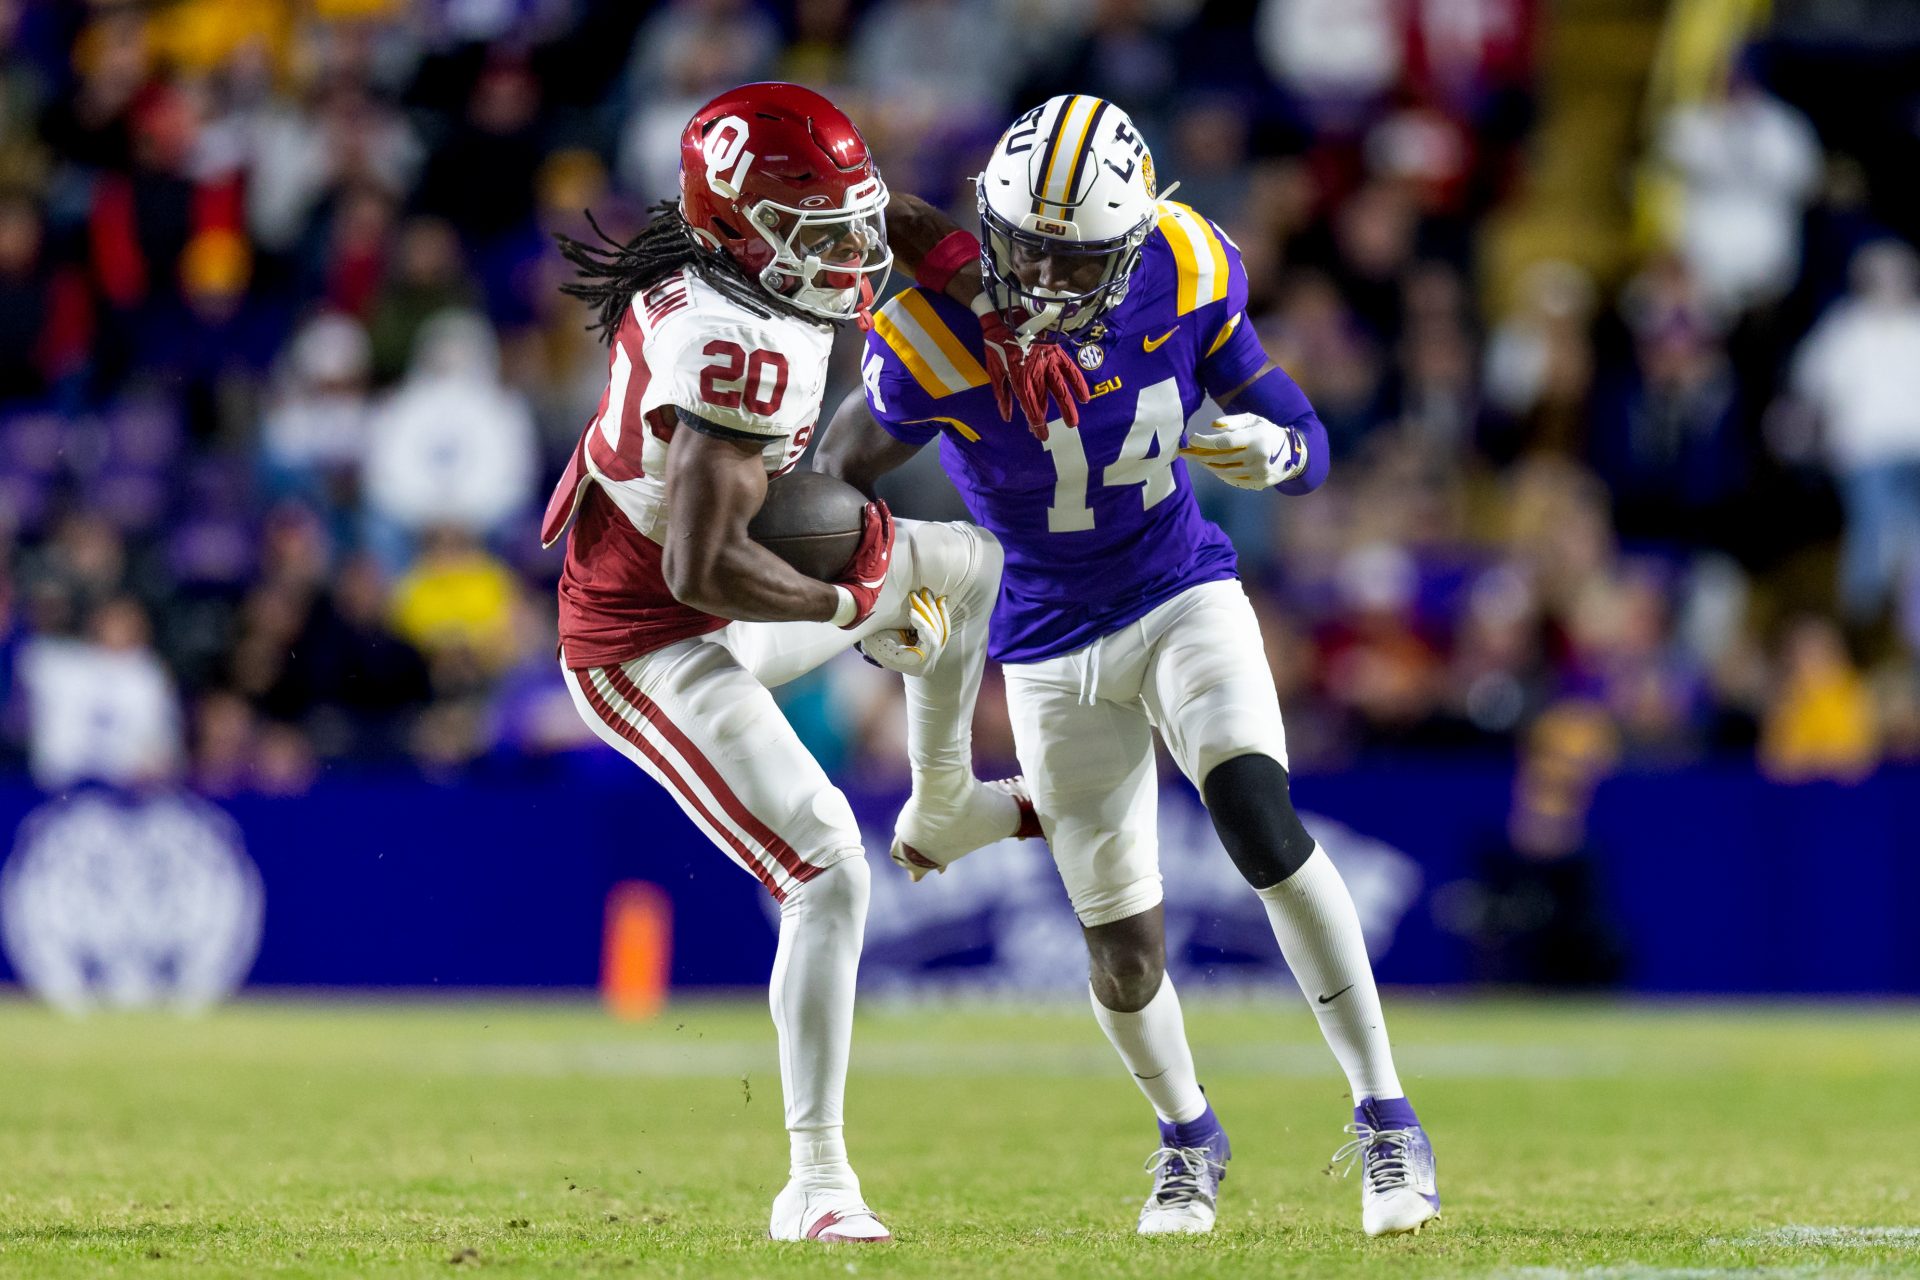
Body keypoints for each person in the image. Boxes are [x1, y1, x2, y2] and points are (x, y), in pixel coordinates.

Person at [816, 94, 1439, 1237]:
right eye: (1028, 247)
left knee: (1257, 814)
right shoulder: (935, 331)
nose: (1045, 277)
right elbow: (829, 476)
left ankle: (1387, 1115)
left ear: (1135, 234)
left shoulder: (1188, 263)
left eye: (1074, 253)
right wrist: (876, 586)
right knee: (1120, 948)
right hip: (1046, 640)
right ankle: (1189, 1136)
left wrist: (1282, 450)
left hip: (1179, 589)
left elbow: (1303, 431)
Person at [540, 82, 1059, 1245]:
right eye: (816, 236)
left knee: (968, 565)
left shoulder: (770, 250)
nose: (849, 257)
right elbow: (701, 566)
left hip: (720, 586)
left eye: (844, 220)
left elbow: (901, 226)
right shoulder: (722, 342)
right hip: (653, 643)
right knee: (826, 865)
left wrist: (998, 304)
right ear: (740, 233)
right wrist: (852, 604)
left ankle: (946, 802)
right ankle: (813, 1180)